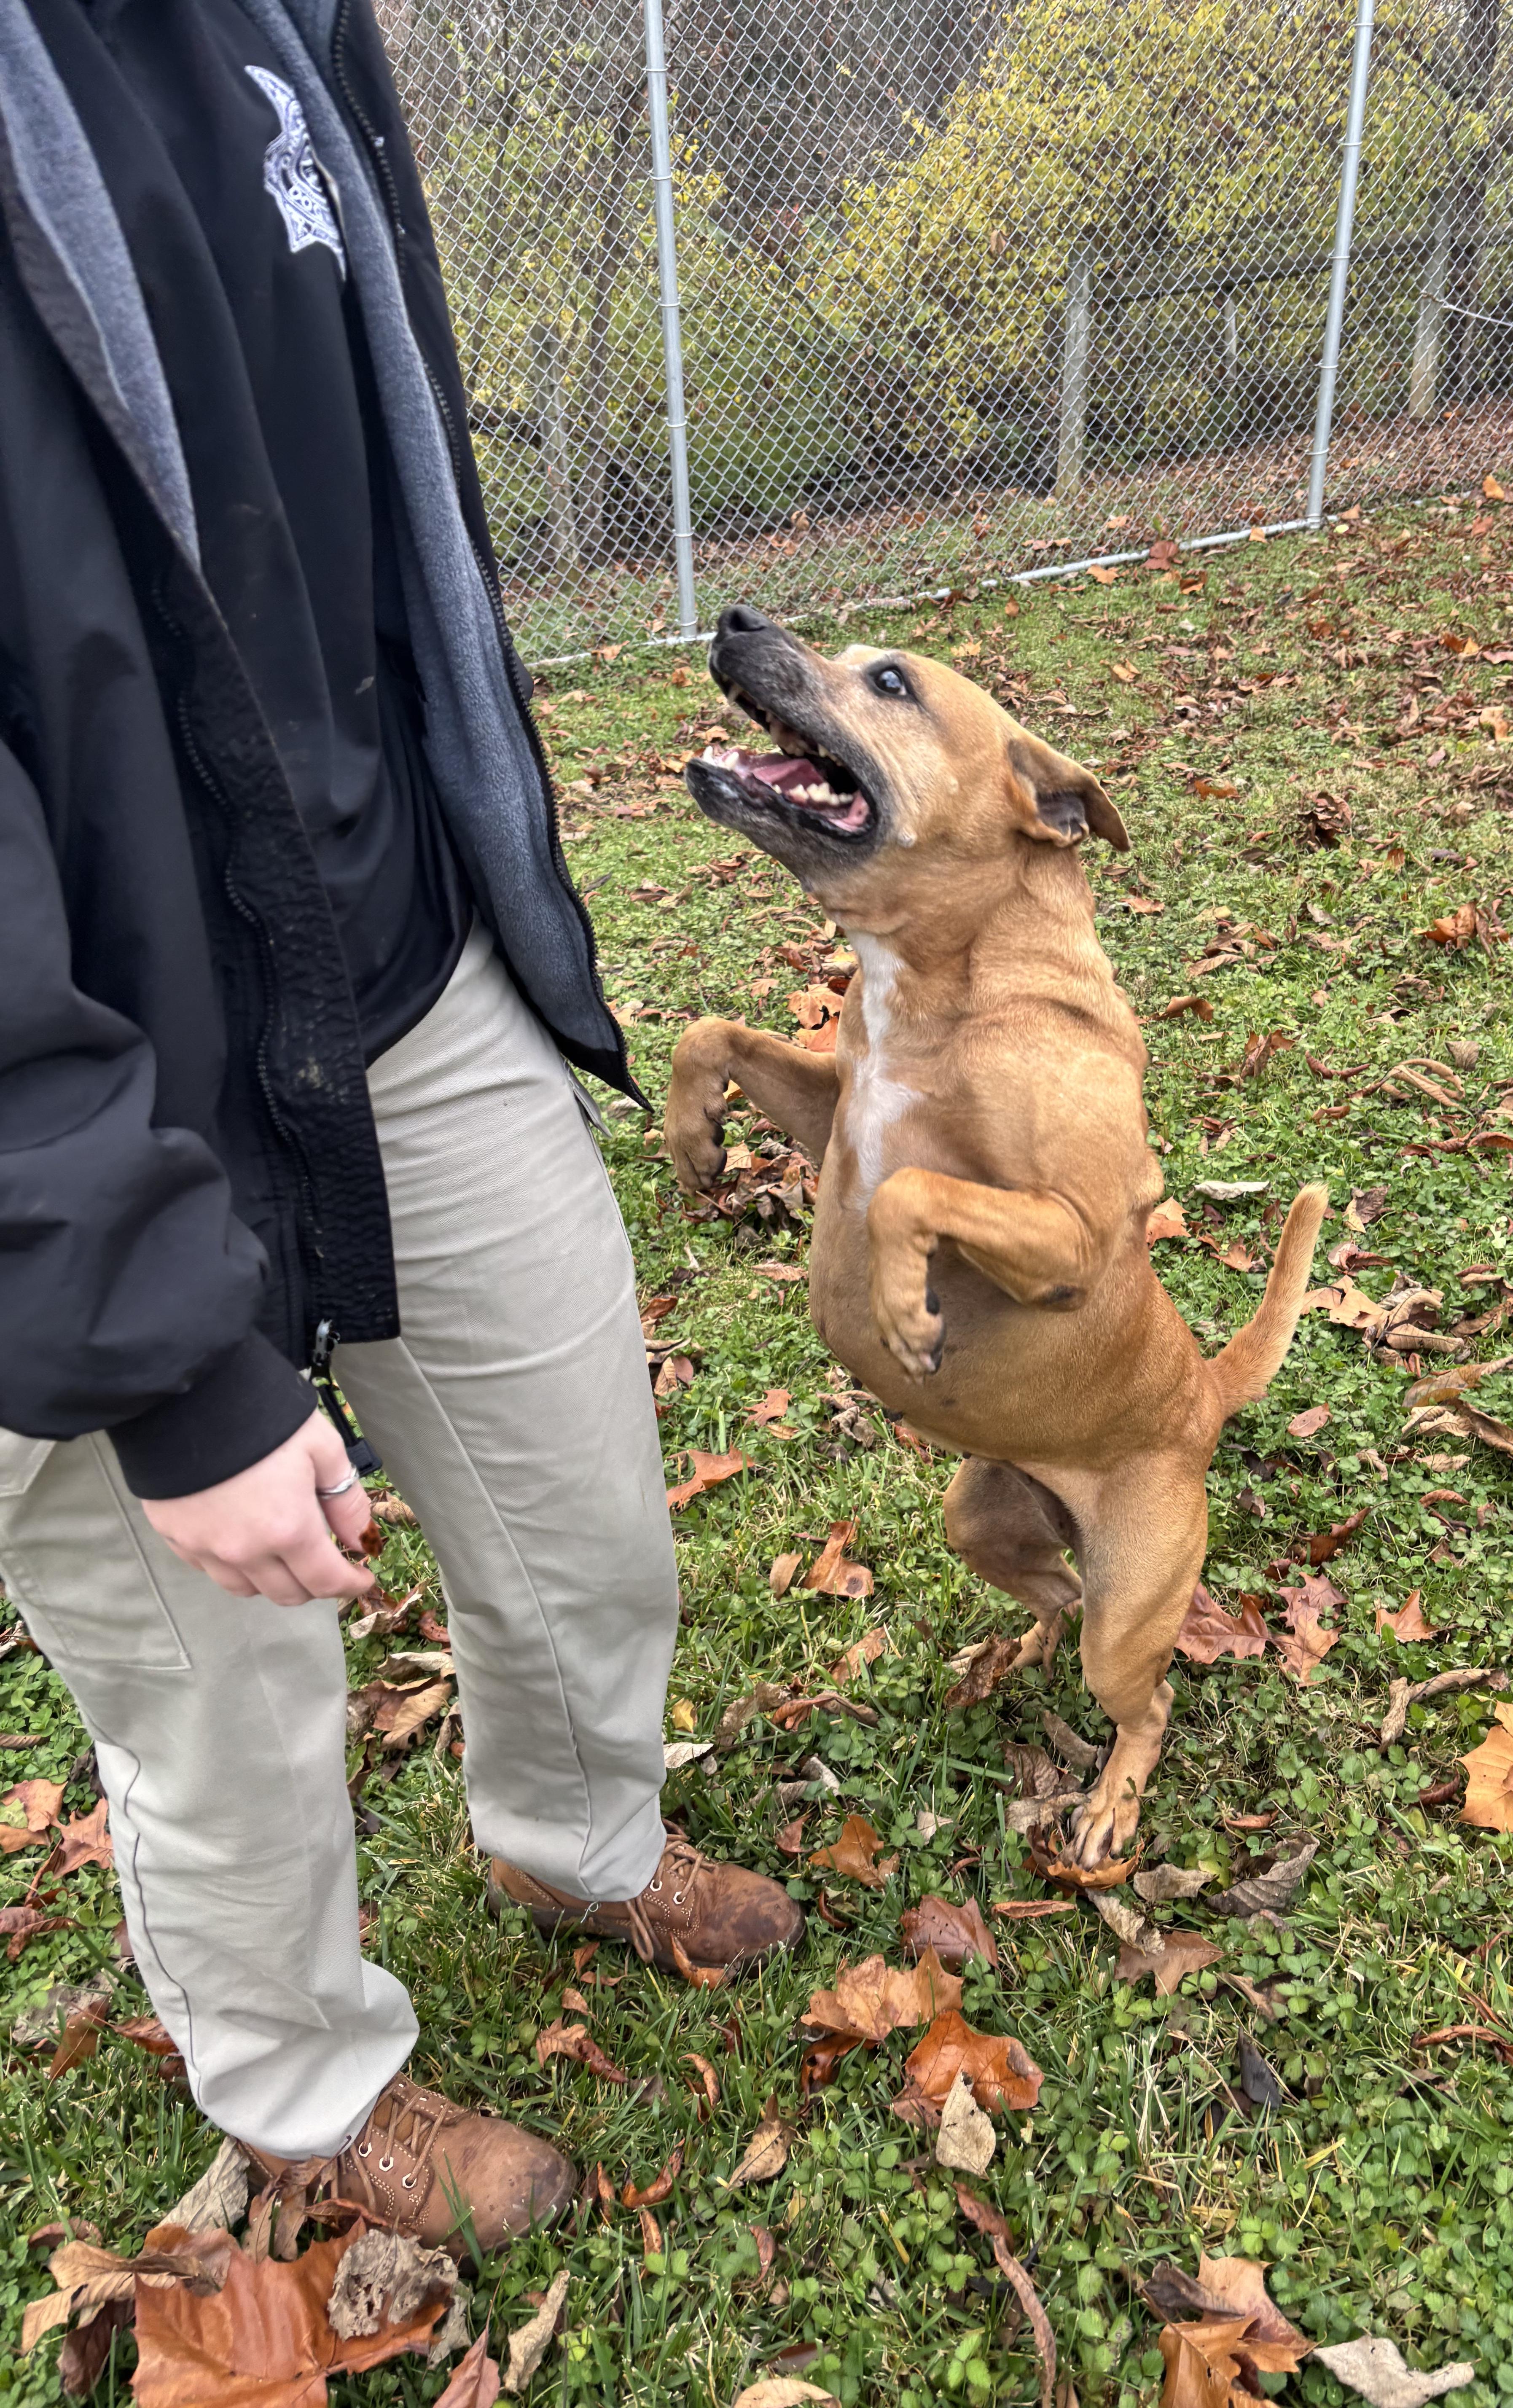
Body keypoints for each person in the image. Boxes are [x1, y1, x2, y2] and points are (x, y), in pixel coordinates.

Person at [0, 0, 798, 2252]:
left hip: (398, 956)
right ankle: (301, 2089)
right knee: (216, 1694)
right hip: (77, 1073)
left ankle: (575, 1833)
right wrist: (152, 1342)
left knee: (583, 1514)